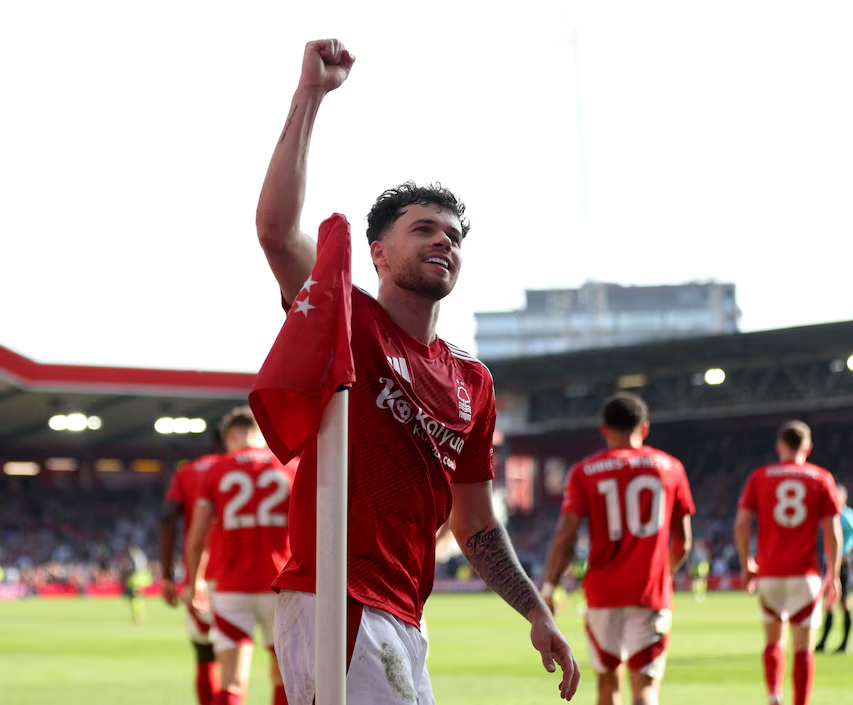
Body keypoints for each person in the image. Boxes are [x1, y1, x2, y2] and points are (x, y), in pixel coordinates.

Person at [254, 38, 579, 705]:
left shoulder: (473, 382)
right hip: (337, 592)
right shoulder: (349, 319)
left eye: (454, 236)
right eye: (424, 228)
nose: (444, 241)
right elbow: (277, 232)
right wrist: (310, 96)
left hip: (403, 610)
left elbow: (477, 524)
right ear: (377, 251)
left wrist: (536, 608)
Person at [540, 392, 695, 705]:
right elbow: (683, 543)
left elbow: (565, 537)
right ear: (645, 428)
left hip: (602, 597)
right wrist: (663, 573)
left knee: (608, 685)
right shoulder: (671, 468)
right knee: (646, 689)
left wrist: (549, 586)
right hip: (650, 594)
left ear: (604, 429)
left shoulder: (585, 471)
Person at [186, 408, 296, 705]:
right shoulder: (290, 468)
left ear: (231, 436)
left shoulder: (216, 470)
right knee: (284, 677)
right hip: (280, 586)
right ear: (260, 433)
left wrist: (194, 581)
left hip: (232, 586)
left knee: (232, 681)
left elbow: (196, 538)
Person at [734, 420, 843, 705]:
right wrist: (834, 573)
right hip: (805, 575)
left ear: (779, 446)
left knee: (772, 642)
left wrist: (747, 562)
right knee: (803, 648)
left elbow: (742, 523)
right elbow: (833, 530)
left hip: (770, 573)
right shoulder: (821, 478)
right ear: (808, 447)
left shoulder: (760, 476)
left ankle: (773, 695)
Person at [159, 437, 224, 705]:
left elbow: (167, 517)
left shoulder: (187, 472)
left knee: (206, 656)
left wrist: (166, 574)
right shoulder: (255, 468)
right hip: (246, 575)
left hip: (199, 576)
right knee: (272, 660)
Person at [815, 484, 853, 654]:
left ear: (843, 498)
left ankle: (844, 643)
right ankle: (823, 642)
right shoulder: (830, 514)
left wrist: (847, 554)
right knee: (829, 602)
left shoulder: (846, 515)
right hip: (829, 561)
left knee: (844, 601)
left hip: (843, 563)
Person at [120, 544, 152, 625]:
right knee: (136, 599)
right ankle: (137, 616)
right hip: (138, 579)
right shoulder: (140, 556)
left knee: (136, 599)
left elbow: (133, 569)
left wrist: (127, 574)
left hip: (136, 580)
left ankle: (138, 617)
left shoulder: (135, 557)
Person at [688, 540, 711, 604]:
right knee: (696, 582)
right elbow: (692, 563)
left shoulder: (703, 553)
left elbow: (707, 561)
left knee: (701, 582)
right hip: (696, 569)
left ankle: (702, 594)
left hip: (702, 569)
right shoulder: (695, 553)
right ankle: (697, 594)